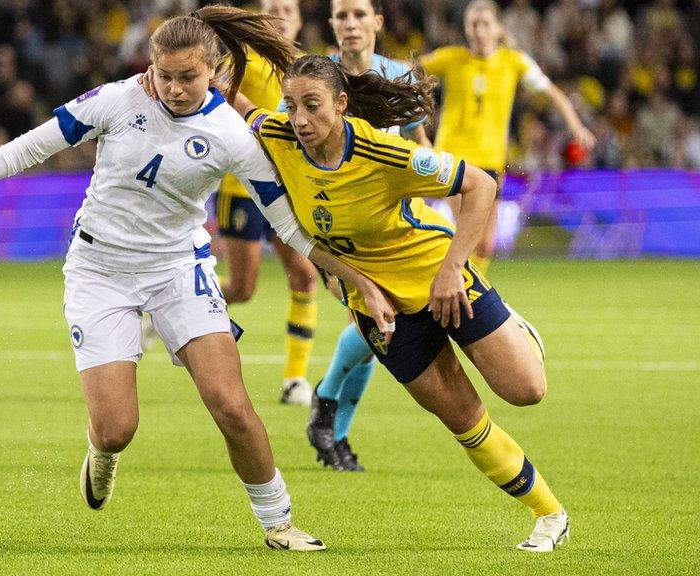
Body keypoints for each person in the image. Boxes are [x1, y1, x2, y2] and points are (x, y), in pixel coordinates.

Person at [0, 7, 384, 552]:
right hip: (100, 270)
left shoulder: (233, 135)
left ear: (215, 71)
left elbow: (287, 223)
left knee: (231, 404)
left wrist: (348, 276)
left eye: (187, 77)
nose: (173, 87)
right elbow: (29, 145)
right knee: (118, 427)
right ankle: (102, 450)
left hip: (178, 269)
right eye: (164, 74)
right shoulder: (118, 99)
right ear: (150, 67)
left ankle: (279, 522)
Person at [235, 54, 569, 552]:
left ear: (342, 104)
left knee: (526, 391)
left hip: (440, 281)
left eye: (312, 105)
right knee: (463, 419)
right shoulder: (280, 135)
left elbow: (481, 185)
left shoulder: (382, 153)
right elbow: (236, 103)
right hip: (379, 310)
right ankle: (549, 514)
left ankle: (517, 329)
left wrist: (455, 268)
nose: (299, 119)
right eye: (291, 105)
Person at [305, 0, 435, 473]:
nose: (351, 24)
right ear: (333, 25)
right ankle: (334, 431)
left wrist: (447, 189)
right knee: (376, 328)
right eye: (342, 16)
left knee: (375, 332)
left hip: (398, 227)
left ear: (377, 22)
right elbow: (290, 148)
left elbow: (419, 142)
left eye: (360, 14)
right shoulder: (316, 80)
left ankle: (328, 416)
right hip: (342, 232)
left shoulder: (397, 76)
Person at [416, 0, 595, 273]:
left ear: (498, 28)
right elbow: (406, 68)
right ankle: (466, 299)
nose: (479, 30)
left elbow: (553, 94)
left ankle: (463, 292)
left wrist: (576, 126)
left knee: (485, 244)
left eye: (485, 24)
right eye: (473, 24)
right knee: (467, 235)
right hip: (454, 158)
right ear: (466, 28)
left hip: (490, 160)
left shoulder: (514, 61)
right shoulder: (451, 58)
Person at [209, 0, 320, 406]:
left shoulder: (310, 67)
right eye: (271, 7)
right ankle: (179, 300)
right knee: (242, 288)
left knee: (305, 277)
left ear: (300, 18)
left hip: (288, 189)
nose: (280, 14)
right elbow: (212, 94)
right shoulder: (241, 59)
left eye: (288, 7)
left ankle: (294, 379)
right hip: (241, 188)